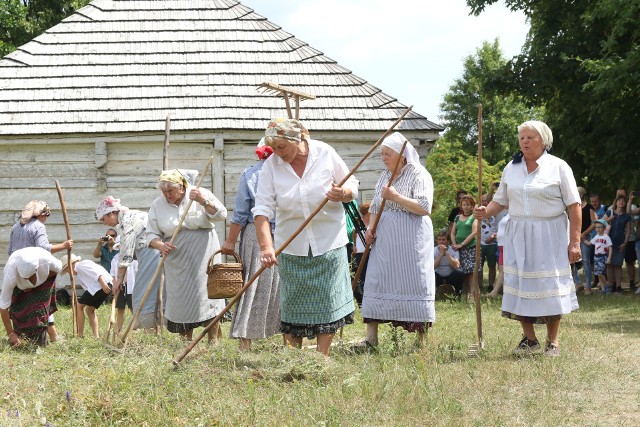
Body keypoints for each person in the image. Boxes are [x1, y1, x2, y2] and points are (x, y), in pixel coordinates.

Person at [474, 120, 580, 357]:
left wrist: (574, 242)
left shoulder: (558, 167)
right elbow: (500, 200)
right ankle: (529, 339)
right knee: (520, 284)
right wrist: (485, 211)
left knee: (549, 285)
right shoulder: (511, 168)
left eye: (530, 137)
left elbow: (574, 206)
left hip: (549, 233)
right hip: (518, 233)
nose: (524, 141)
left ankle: (552, 342)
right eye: (521, 137)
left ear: (543, 140)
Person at [253, 118, 358, 356]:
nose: (278, 154)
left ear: (298, 138)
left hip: (328, 241)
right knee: (292, 305)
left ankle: (321, 358)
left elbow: (353, 184)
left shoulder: (325, 153)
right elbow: (261, 211)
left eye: (282, 147)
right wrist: (266, 247)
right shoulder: (272, 166)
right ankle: (294, 359)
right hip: (291, 246)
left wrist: (343, 193)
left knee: (327, 303)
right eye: (274, 148)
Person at [361, 131, 435, 347]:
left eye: (387, 154)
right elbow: (375, 206)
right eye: (382, 154)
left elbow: (424, 207)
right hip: (385, 240)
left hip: (411, 238)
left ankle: (421, 340)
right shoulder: (384, 176)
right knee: (377, 279)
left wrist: (395, 197)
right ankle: (371, 339)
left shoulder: (420, 174)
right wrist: (370, 229)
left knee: (415, 282)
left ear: (401, 156)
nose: (384, 158)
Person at [147, 169, 227, 341]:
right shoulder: (157, 205)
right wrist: (160, 245)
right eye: (164, 191)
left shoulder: (199, 193)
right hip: (177, 260)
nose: (167, 194)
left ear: (182, 187)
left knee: (206, 293)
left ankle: (213, 340)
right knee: (182, 297)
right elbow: (150, 235)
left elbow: (221, 215)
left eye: (170, 191)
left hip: (204, 253)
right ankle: (186, 341)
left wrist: (203, 201)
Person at [222, 140, 281, 351]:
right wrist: (230, 241)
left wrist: (230, 241)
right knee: (267, 284)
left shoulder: (252, 174)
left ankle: (246, 343)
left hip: (261, 234)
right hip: (276, 234)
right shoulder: (282, 173)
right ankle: (287, 340)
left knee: (254, 285)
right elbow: (240, 213)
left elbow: (239, 214)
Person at [7, 200, 73, 342]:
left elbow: (10, 252)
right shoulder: (38, 226)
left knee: (20, 304)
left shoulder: (15, 227)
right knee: (41, 304)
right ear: (42, 215)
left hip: (18, 271)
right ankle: (40, 338)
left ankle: (48, 335)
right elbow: (43, 249)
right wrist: (64, 245)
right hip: (35, 272)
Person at [96, 196, 163, 331]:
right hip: (154, 253)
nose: (104, 223)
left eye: (104, 219)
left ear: (111, 213)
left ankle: (149, 327)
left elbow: (126, 252)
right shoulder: (132, 216)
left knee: (142, 293)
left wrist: (119, 278)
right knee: (154, 292)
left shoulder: (127, 221)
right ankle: (154, 328)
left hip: (151, 253)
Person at [0, 247, 62, 347]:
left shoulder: (46, 259)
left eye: (31, 276)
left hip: (43, 281)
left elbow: (58, 269)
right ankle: (21, 337)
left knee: (39, 309)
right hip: (19, 287)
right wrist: (10, 333)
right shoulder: (10, 273)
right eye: (26, 278)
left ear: (37, 269)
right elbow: (3, 306)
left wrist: (37, 283)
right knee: (19, 310)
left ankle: (44, 339)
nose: (29, 280)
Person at [60, 254, 112, 339]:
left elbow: (97, 274)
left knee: (78, 306)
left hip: (100, 286)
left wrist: (103, 284)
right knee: (89, 309)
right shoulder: (80, 272)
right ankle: (96, 336)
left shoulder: (81, 265)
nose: (69, 273)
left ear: (71, 265)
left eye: (68, 271)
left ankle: (79, 334)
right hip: (98, 287)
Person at [450, 194, 479, 299]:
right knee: (464, 272)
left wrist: (461, 244)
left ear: (472, 206)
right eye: (464, 204)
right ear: (461, 206)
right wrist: (454, 244)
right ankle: (467, 293)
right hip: (459, 249)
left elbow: (474, 233)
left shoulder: (474, 217)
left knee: (471, 272)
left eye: (468, 205)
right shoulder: (457, 217)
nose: (466, 207)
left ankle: (472, 294)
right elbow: (453, 233)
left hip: (471, 247)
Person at [603, 195, 630, 295]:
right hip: (608, 243)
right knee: (609, 265)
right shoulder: (610, 212)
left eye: (623, 200)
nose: (621, 202)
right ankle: (610, 286)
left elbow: (628, 231)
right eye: (619, 200)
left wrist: (625, 243)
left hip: (620, 243)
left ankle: (618, 287)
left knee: (618, 265)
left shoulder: (626, 216)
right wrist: (609, 219)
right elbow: (600, 222)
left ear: (625, 203)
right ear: (616, 202)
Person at [573, 187, 597, 294]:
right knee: (572, 261)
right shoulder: (573, 207)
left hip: (585, 238)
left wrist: (584, 234)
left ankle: (588, 287)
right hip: (574, 238)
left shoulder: (589, 207)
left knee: (586, 262)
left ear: (582, 195)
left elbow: (595, 222)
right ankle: (578, 283)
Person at [109, 250, 138, 334]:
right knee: (120, 309)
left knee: (132, 308)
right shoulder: (115, 258)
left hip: (132, 286)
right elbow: (113, 273)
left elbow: (137, 271)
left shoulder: (133, 258)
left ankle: (136, 327)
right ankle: (118, 330)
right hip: (120, 287)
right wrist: (115, 284)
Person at [583, 219, 612, 294]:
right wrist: (582, 239)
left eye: (600, 227)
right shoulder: (596, 237)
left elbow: (610, 248)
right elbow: (589, 243)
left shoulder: (606, 237)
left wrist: (609, 258)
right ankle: (603, 290)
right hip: (596, 257)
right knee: (598, 274)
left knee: (600, 273)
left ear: (604, 228)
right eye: (596, 227)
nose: (598, 229)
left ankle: (607, 287)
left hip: (603, 257)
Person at [484, 213, 510, 298]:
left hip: (508, 245)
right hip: (501, 245)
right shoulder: (506, 215)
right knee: (502, 270)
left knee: (507, 270)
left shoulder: (515, 214)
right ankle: (494, 292)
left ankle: (507, 293)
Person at [434, 229, 463, 296]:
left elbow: (456, 266)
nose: (441, 242)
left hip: (451, 277)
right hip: (438, 277)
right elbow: (432, 267)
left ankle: (457, 295)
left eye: (443, 240)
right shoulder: (433, 250)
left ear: (448, 241)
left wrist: (446, 253)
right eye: (439, 239)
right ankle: (433, 295)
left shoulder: (453, 250)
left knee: (460, 272)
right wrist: (441, 254)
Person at [352, 202, 371, 306]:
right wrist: (354, 245)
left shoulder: (373, 220)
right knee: (363, 274)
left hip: (369, 250)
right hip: (360, 250)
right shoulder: (359, 221)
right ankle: (364, 298)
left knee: (369, 273)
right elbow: (354, 233)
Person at [479, 193, 498, 292]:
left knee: (491, 265)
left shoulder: (494, 213)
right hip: (481, 244)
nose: (484, 202)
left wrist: (492, 237)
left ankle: (490, 286)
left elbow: (500, 227)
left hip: (492, 244)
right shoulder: (478, 214)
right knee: (480, 266)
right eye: (483, 200)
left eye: (486, 200)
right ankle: (479, 286)